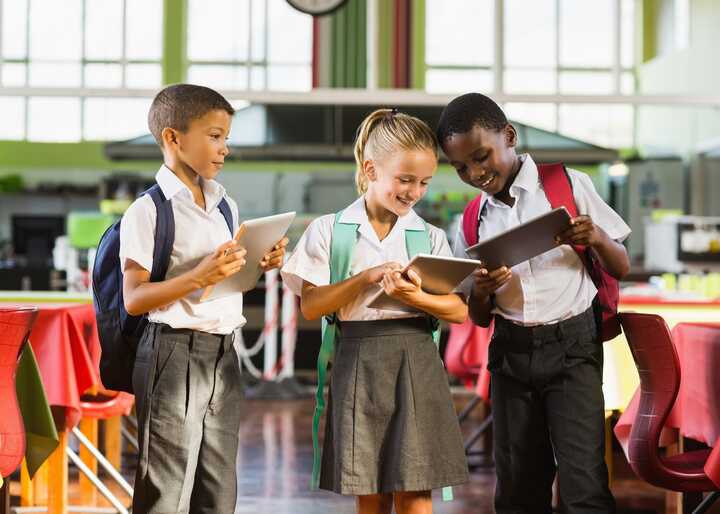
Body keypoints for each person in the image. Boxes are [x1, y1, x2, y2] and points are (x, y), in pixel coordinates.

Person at [437, 92, 631, 514]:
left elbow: (621, 266)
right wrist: (483, 292)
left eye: (482, 156)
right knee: (518, 485)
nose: (475, 172)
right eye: (460, 167)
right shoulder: (472, 221)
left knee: (584, 483)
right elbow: (477, 316)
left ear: (509, 136)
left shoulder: (568, 184)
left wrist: (595, 237)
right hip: (510, 354)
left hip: (573, 349)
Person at [282, 109, 469, 514]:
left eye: (424, 182)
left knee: (416, 489)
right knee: (369, 487)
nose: (414, 192)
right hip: (358, 361)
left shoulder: (430, 236)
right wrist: (366, 278)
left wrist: (413, 297)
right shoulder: (330, 231)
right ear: (370, 169)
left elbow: (456, 311)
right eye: (404, 180)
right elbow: (313, 306)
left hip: (417, 361)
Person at [120, 83, 288, 513]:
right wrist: (197, 276)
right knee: (167, 487)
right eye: (214, 136)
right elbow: (135, 298)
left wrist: (257, 263)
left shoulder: (224, 205)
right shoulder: (149, 210)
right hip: (172, 355)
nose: (224, 148)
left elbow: (229, 284)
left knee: (217, 486)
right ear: (173, 138)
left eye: (226, 138)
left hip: (223, 354)